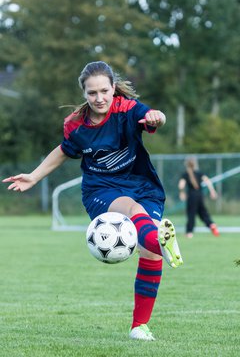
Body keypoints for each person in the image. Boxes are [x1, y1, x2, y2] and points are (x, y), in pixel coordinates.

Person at [2, 61, 183, 341]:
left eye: (104, 91)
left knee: (149, 253)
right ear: (84, 94)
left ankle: (139, 326)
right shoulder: (76, 124)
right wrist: (34, 177)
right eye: (92, 93)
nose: (99, 98)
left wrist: (158, 118)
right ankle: (159, 238)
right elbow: (63, 151)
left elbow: (153, 116)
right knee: (133, 212)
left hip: (143, 184)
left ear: (113, 89)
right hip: (101, 190)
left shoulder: (127, 109)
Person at [178, 156, 220, 238]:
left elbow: (181, 185)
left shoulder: (185, 174)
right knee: (203, 212)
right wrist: (212, 191)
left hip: (191, 196)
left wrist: (181, 193)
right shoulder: (199, 173)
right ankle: (211, 224)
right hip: (200, 195)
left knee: (191, 214)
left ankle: (189, 232)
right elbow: (207, 181)